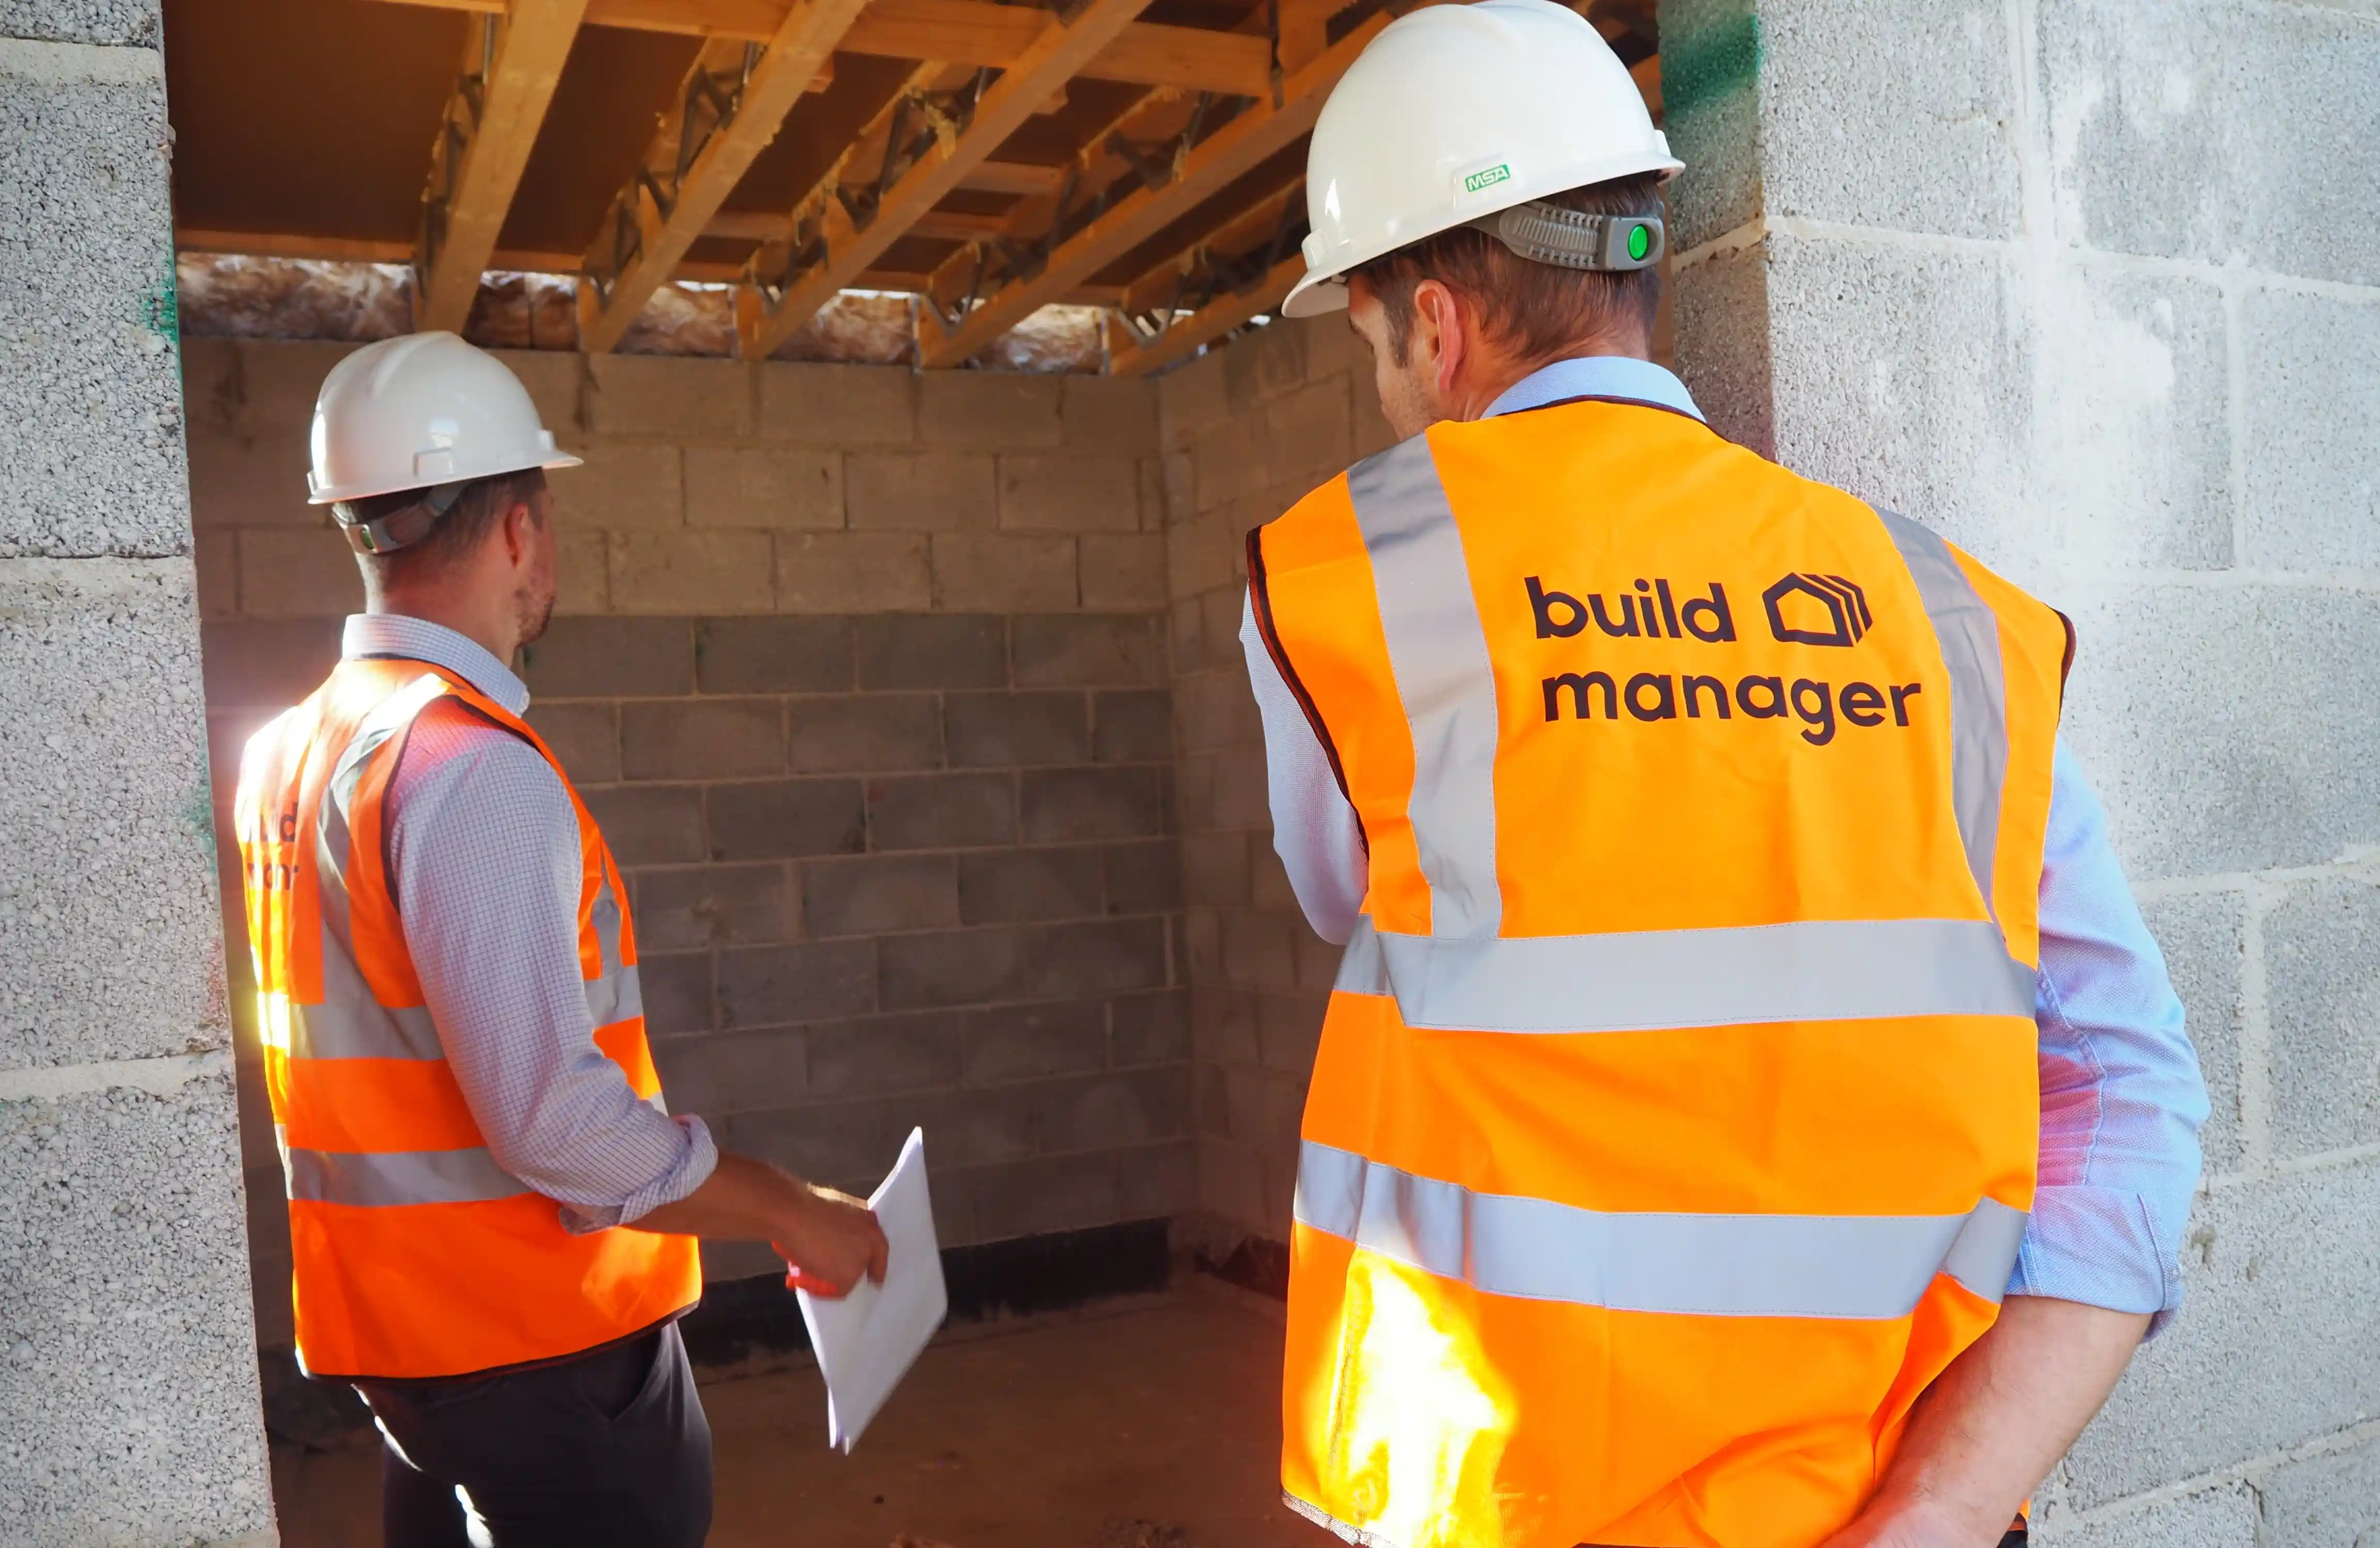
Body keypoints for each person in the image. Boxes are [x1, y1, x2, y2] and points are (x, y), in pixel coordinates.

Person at [1239, 5, 2209, 1546]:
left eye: (1367, 344)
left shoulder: (1350, 573)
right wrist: (1943, 1509)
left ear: (1432, 322)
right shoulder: (1951, 617)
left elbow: (1342, 889)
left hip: (1509, 1509)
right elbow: (2128, 1090)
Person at [232, 331, 888, 1547]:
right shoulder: (471, 768)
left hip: (402, 1351)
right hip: (536, 1348)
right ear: (520, 531)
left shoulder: (289, 753)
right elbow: (552, 1121)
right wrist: (787, 1207)